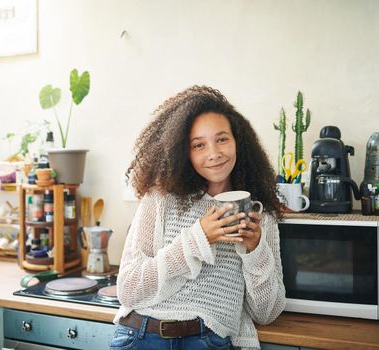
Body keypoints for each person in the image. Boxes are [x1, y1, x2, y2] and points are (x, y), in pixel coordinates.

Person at [111, 85, 286, 350]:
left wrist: (255, 250)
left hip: (207, 340)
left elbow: (267, 312)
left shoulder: (261, 217)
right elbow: (129, 289)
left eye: (222, 139)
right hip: (140, 336)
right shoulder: (160, 199)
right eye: (199, 145)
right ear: (184, 152)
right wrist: (198, 238)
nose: (214, 153)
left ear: (239, 141)